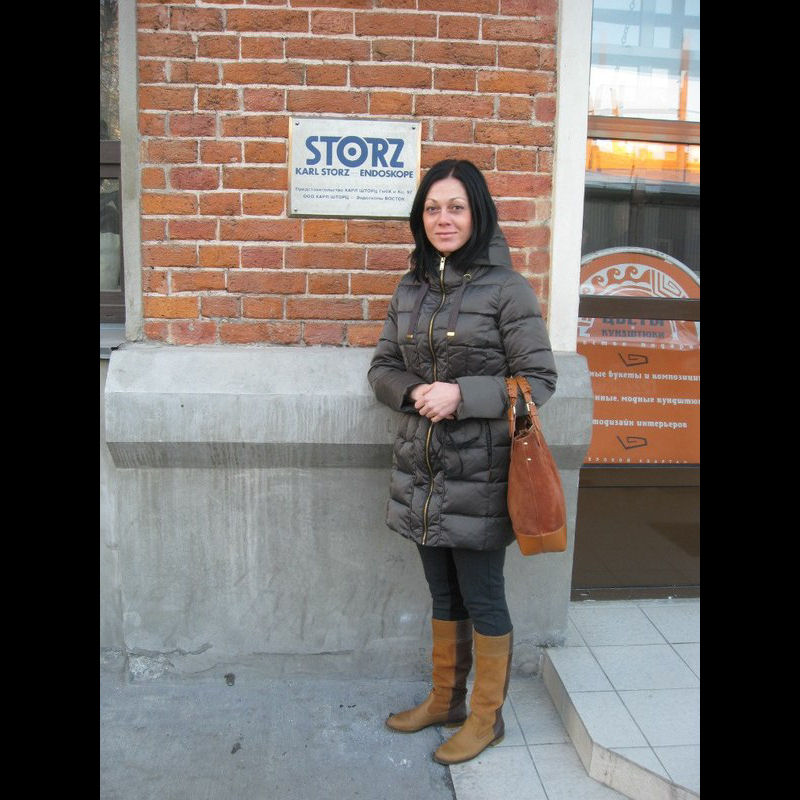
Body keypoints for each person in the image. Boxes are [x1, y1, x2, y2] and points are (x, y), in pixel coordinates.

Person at [367, 159, 558, 765]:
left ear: (478, 214)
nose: (442, 219)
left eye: (455, 207)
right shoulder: (411, 287)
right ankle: (446, 700)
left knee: (483, 598)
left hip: (481, 475)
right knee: (442, 594)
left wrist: (461, 395)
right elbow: (382, 367)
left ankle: (486, 717)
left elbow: (539, 379)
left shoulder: (507, 288)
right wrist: (412, 392)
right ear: (419, 218)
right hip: (421, 474)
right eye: (432, 208)